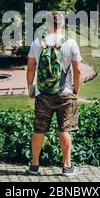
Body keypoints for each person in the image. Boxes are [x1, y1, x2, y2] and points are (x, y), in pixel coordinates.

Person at [26, 11, 83, 176]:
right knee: (64, 129)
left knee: (39, 130)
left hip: (43, 94)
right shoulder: (71, 43)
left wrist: (31, 88)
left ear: (47, 24)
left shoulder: (37, 43)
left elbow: (30, 68)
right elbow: (78, 71)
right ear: (63, 24)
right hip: (65, 93)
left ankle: (34, 166)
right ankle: (67, 167)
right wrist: (75, 92)